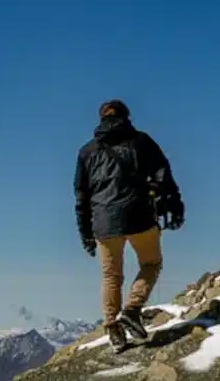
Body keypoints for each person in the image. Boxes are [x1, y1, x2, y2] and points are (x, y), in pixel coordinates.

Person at [74, 99, 185, 352]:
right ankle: (132, 310)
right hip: (140, 216)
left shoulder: (87, 152)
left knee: (111, 277)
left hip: (103, 223)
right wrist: (175, 205)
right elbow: (163, 174)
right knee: (151, 263)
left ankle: (113, 330)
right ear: (127, 116)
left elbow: (81, 196)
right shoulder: (141, 141)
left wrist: (86, 234)